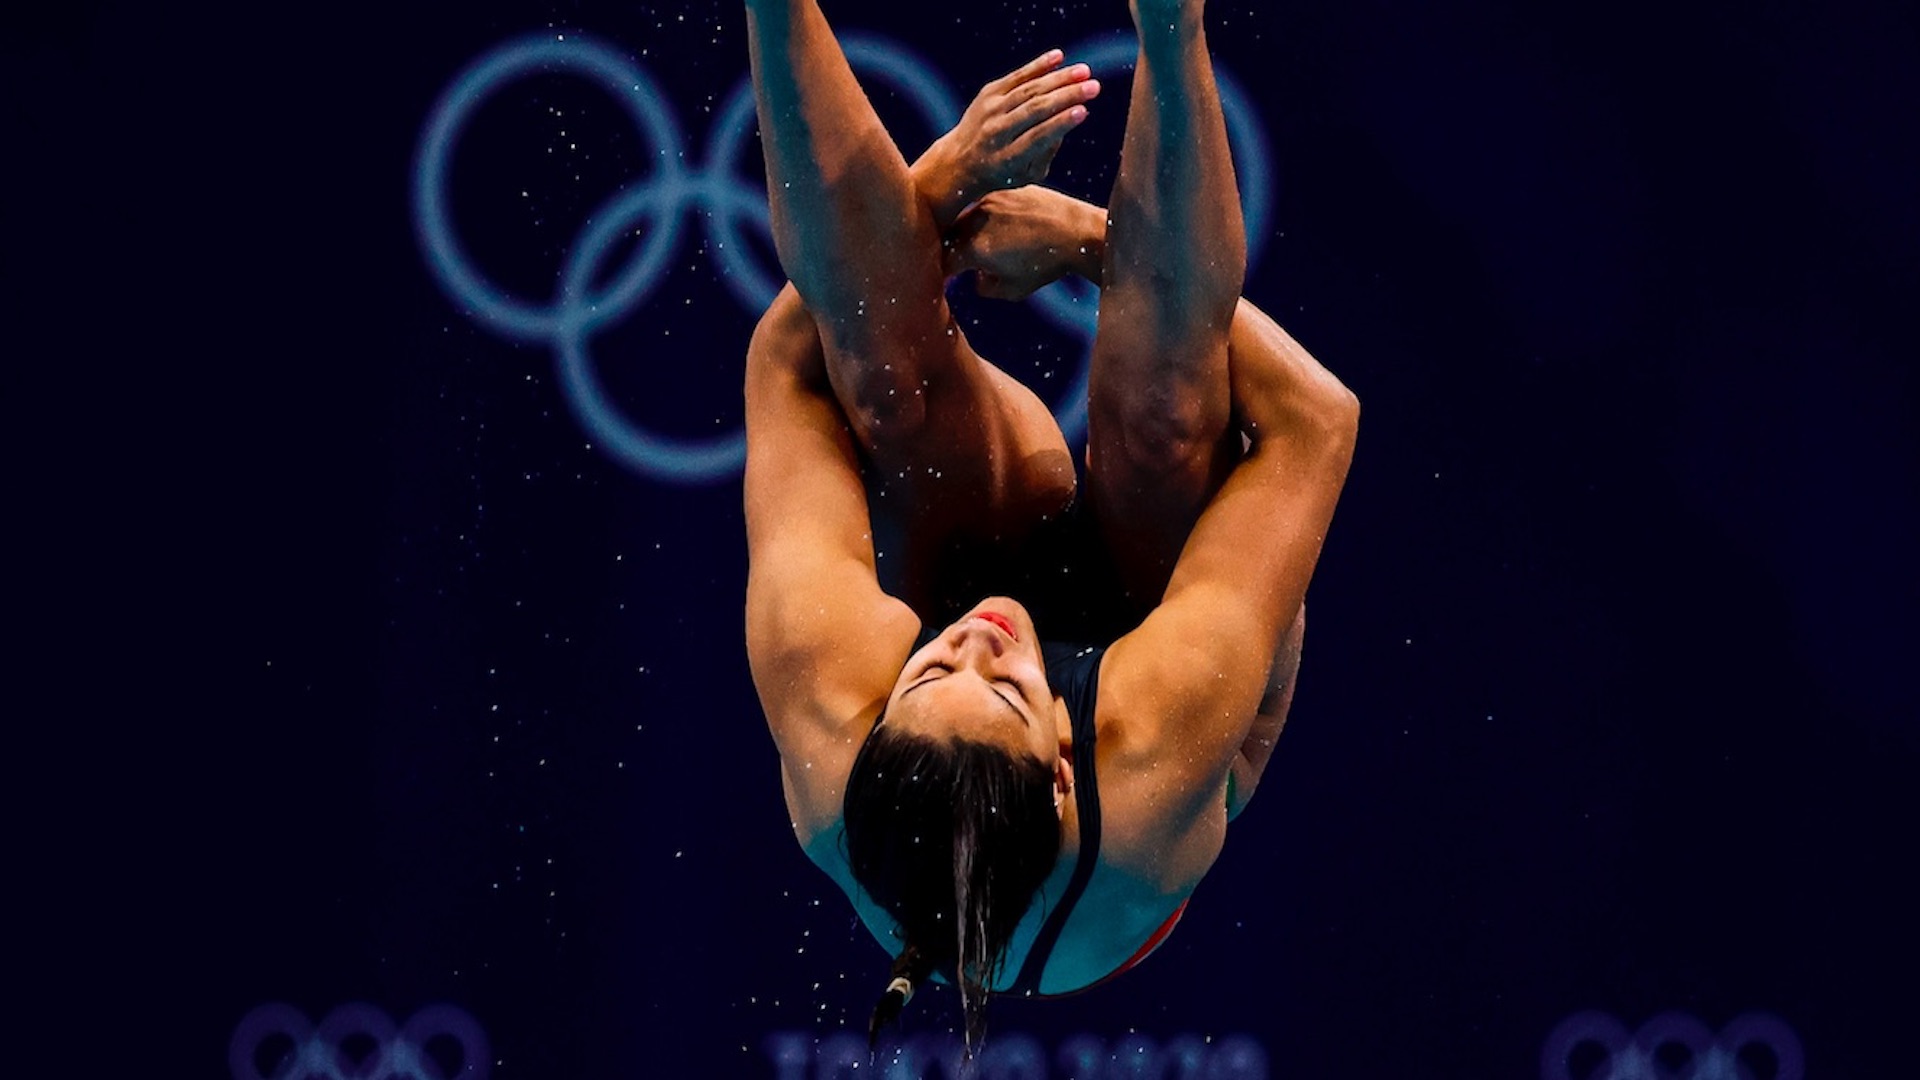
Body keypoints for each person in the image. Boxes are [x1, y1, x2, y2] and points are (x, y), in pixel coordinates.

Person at [740, 0, 1359, 1051]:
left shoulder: (830, 703)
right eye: (1007, 687)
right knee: (1167, 419)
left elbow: (783, 362)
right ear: (1064, 761)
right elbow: (1313, 420)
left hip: (971, 588)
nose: (981, 637)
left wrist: (934, 193)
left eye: (934, 672)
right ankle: (1174, 24)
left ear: (882, 720)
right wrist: (1093, 245)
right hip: (1160, 665)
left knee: (879, 380)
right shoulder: (1151, 743)